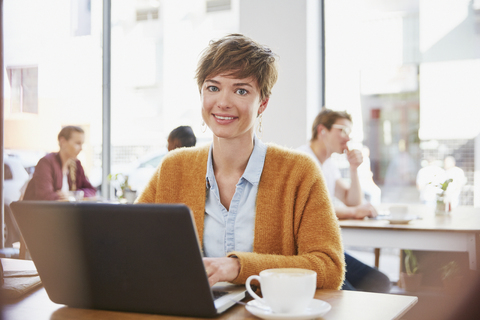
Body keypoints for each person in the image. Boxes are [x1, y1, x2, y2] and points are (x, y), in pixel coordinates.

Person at [137, 34, 345, 289]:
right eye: (213, 87)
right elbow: (132, 246)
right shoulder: (173, 167)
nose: (223, 102)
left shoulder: (299, 171)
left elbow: (329, 268)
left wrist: (237, 267)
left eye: (241, 90)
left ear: (263, 103)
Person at [297, 109, 391, 293]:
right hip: (308, 251)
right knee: (352, 295)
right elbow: (313, 208)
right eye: (343, 131)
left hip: (327, 247)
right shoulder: (303, 160)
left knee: (380, 281)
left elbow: (352, 200)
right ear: (322, 130)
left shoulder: (328, 164)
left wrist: (354, 168)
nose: (347, 138)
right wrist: (354, 212)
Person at [23, 126, 97, 200]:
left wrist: (73, 195)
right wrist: (69, 197)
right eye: (77, 143)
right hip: (39, 211)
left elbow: (92, 190)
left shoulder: (76, 165)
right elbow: (45, 196)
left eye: (82, 144)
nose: (81, 148)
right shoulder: (46, 163)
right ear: (63, 142)